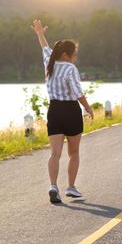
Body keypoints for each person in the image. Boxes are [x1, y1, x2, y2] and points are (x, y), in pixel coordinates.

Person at [31, 19, 94, 204]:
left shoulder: (49, 61)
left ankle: (53, 186)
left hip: (54, 110)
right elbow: (77, 92)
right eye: (75, 54)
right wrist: (88, 108)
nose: (76, 57)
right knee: (73, 153)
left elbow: (44, 47)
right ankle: (71, 187)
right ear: (67, 55)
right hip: (71, 111)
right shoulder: (70, 68)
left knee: (55, 154)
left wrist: (39, 33)